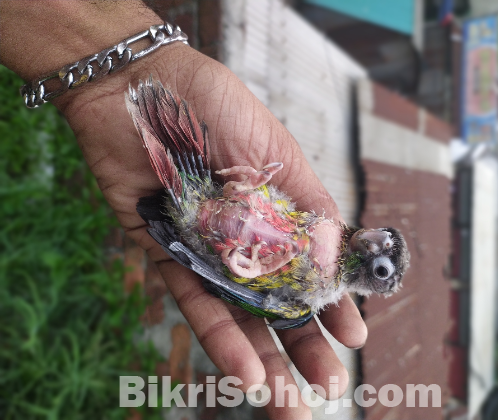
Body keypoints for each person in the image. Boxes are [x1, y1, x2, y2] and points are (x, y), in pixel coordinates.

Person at [0, 1, 368, 418]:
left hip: (207, 226)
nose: (368, 242)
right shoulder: (325, 232)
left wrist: (227, 258)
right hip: (220, 195)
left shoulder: (303, 297)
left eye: (375, 260)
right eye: (379, 239)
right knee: (178, 142)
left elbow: (236, 282)